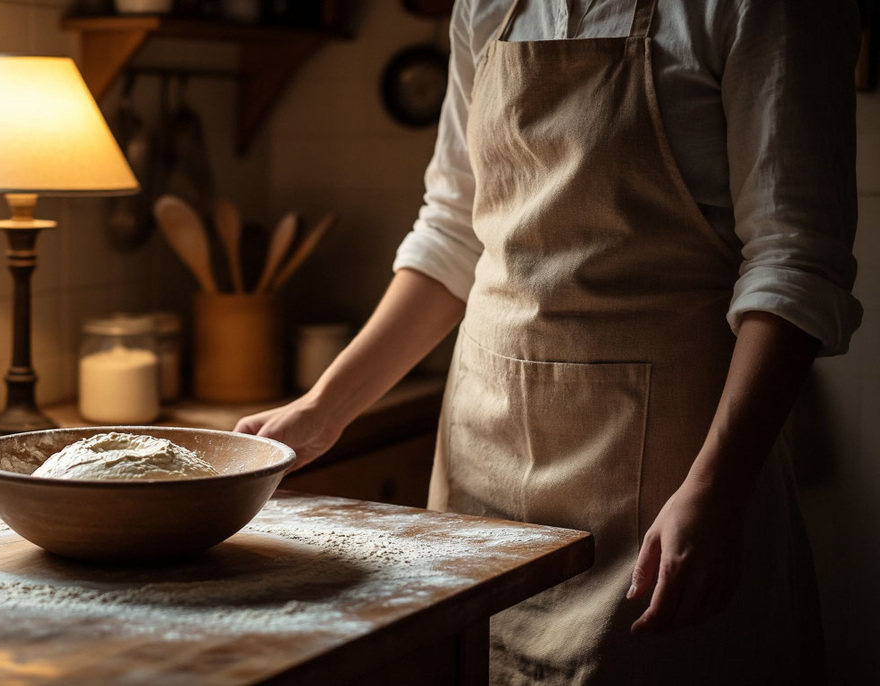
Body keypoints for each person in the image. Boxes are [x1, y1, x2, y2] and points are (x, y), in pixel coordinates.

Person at [235, 0, 864, 683]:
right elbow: (452, 235)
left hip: (671, 480)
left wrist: (716, 490)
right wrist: (325, 408)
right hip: (484, 474)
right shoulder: (484, 8)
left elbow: (794, 261)